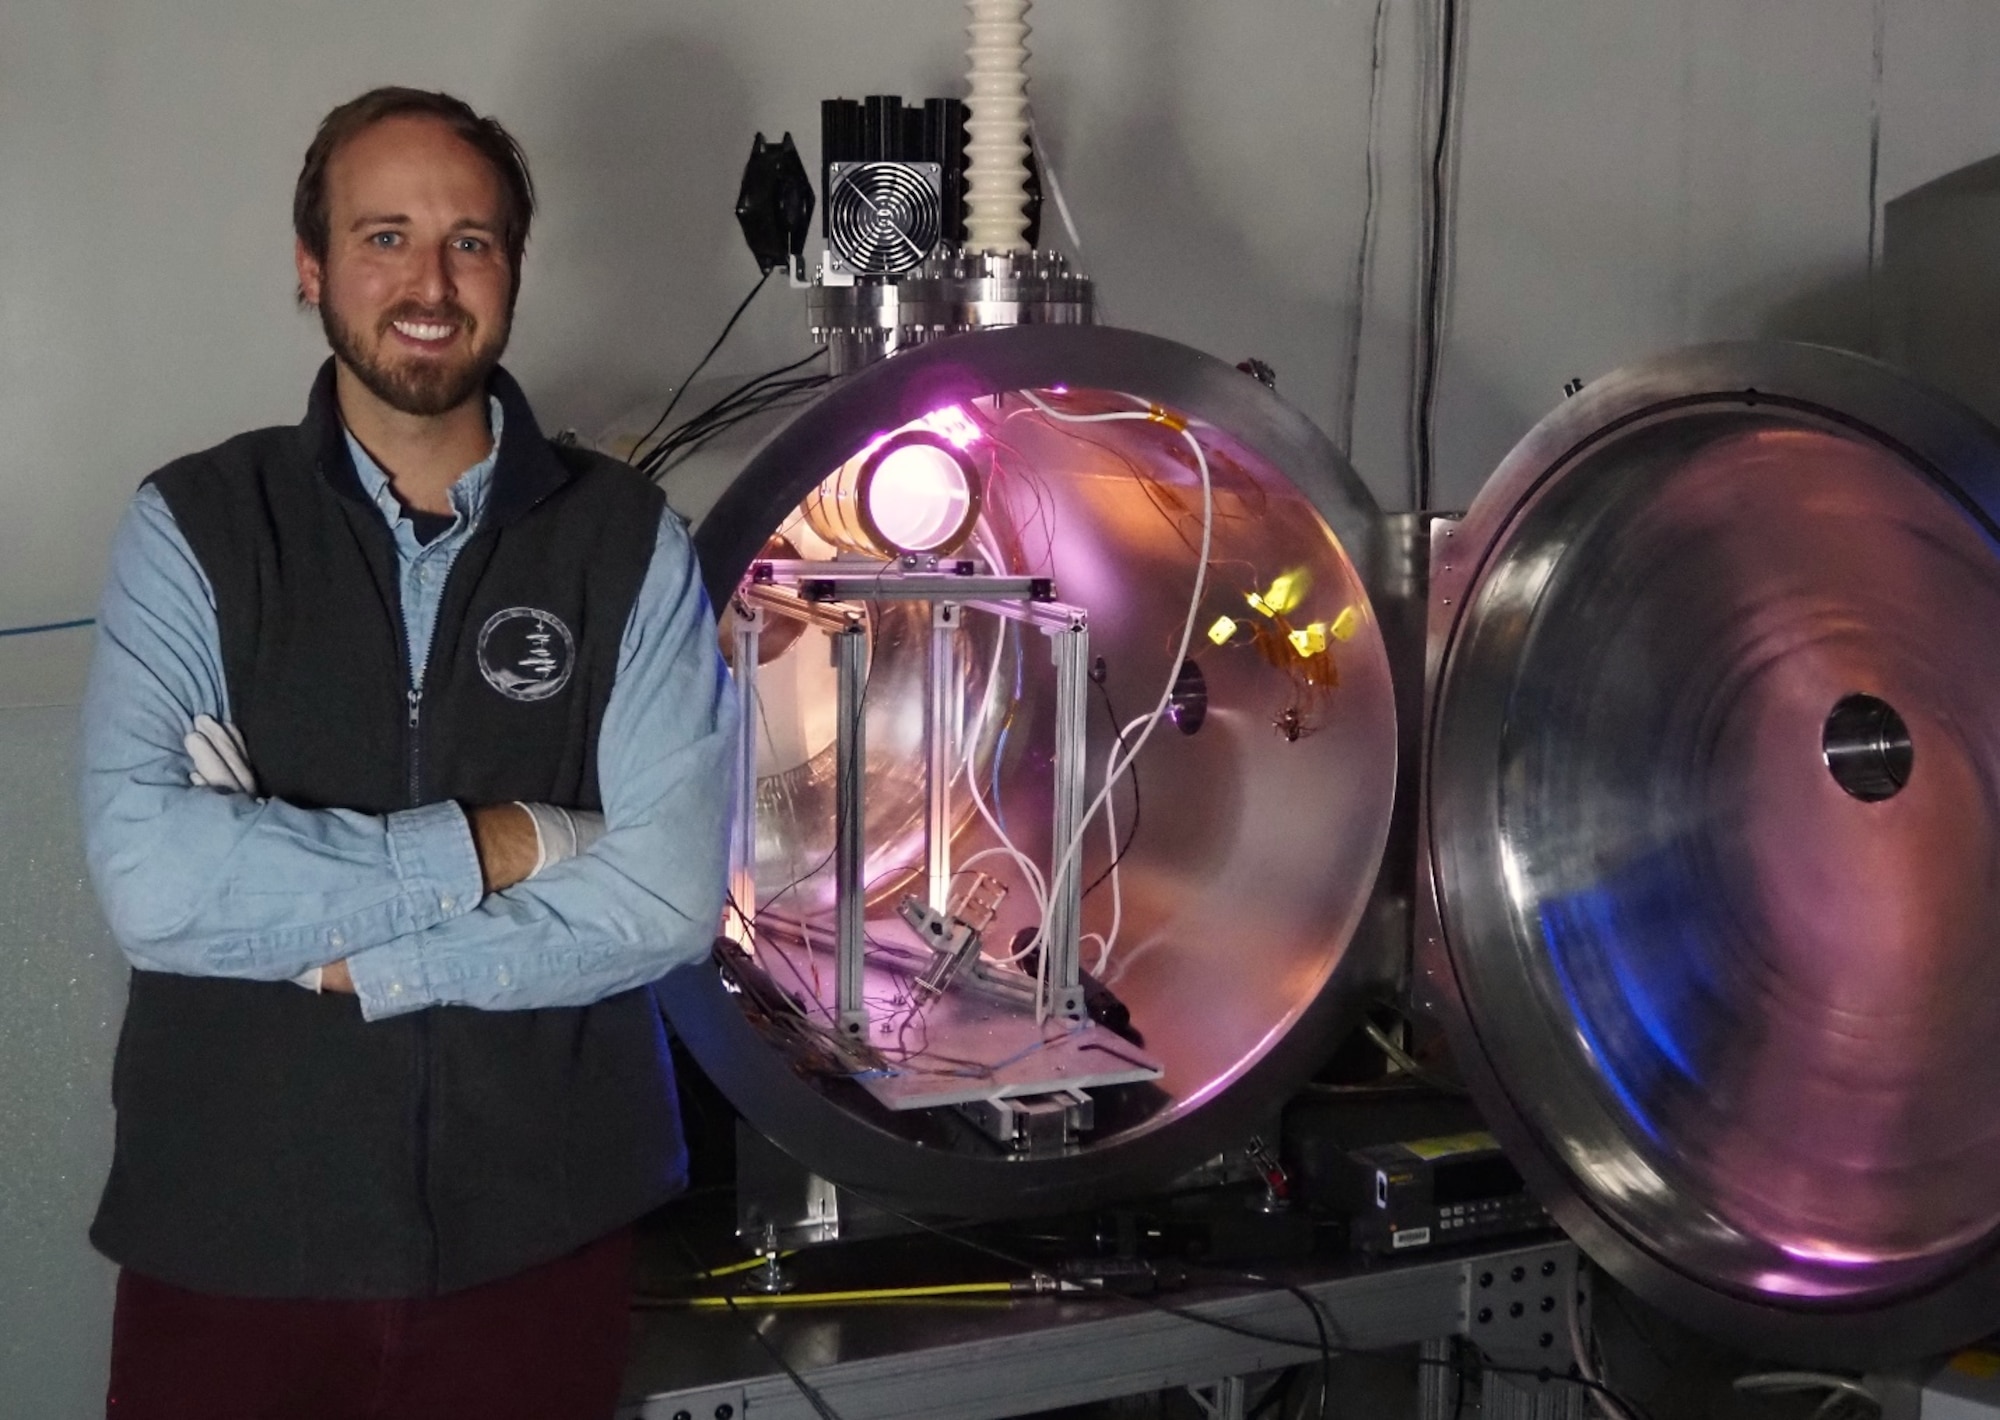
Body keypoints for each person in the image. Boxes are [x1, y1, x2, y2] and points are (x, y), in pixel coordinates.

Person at [79, 86, 735, 1420]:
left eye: (471, 243)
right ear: (312, 268)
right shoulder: (197, 523)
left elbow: (666, 894)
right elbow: (155, 880)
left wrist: (353, 958)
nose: (429, 283)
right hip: (233, 1238)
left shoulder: (626, 540)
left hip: (538, 1239)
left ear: (512, 274)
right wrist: (512, 840)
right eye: (385, 237)